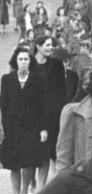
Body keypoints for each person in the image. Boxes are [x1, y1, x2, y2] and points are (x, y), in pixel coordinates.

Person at [0, 47, 48, 194]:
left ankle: (25, 193)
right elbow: (3, 105)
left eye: (26, 59)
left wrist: (43, 129)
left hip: (31, 127)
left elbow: (43, 106)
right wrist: (3, 127)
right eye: (20, 59)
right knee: (13, 164)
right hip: (12, 127)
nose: (23, 62)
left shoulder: (38, 80)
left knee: (27, 163)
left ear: (30, 61)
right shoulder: (6, 79)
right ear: (16, 61)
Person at [33, 34, 66, 184]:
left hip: (53, 112)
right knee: (34, 149)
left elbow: (62, 90)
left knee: (52, 148)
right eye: (47, 45)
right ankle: (32, 184)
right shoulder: (28, 63)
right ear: (38, 46)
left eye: (51, 45)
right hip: (33, 112)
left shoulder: (56, 64)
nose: (50, 47)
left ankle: (50, 184)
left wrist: (61, 110)